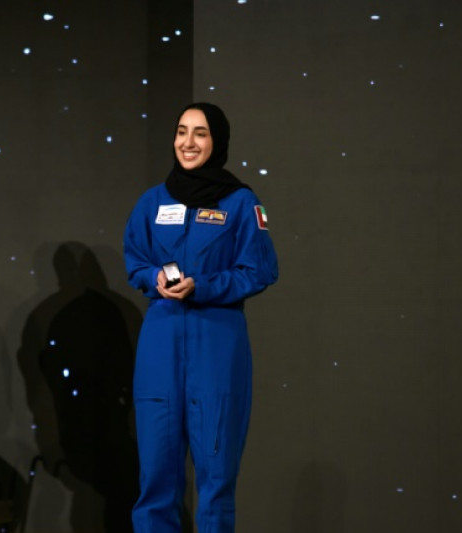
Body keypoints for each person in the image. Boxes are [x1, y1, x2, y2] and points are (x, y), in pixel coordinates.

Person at [123, 102, 278, 532]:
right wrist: (153, 276)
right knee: (155, 483)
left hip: (216, 347)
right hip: (161, 344)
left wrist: (203, 286)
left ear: (217, 141)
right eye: (181, 132)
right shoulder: (152, 202)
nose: (187, 143)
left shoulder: (242, 202)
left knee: (215, 483)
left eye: (200, 133)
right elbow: (135, 259)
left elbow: (260, 270)